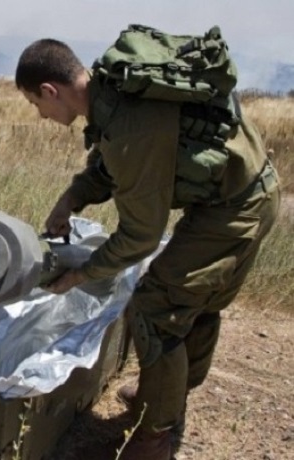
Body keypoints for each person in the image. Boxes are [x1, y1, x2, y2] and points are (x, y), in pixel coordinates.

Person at [15, 38, 280, 459]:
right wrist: (72, 198)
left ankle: (155, 434)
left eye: (36, 104)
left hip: (236, 208)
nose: (41, 115)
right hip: (235, 195)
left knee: (157, 305)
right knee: (188, 299)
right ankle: (163, 396)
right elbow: (108, 162)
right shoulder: (113, 90)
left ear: (51, 90)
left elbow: (139, 237)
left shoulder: (130, 126)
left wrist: (80, 274)